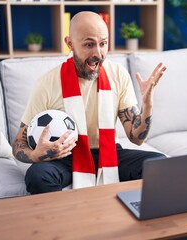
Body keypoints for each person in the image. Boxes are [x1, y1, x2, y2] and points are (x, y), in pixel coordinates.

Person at [12, 11, 167, 194]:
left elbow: (136, 138)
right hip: (66, 156)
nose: (98, 53)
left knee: (161, 165)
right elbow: (18, 144)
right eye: (89, 45)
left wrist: (147, 103)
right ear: (70, 44)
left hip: (109, 152)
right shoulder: (47, 83)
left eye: (103, 44)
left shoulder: (118, 74)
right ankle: (67, 221)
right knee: (37, 176)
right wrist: (35, 155)